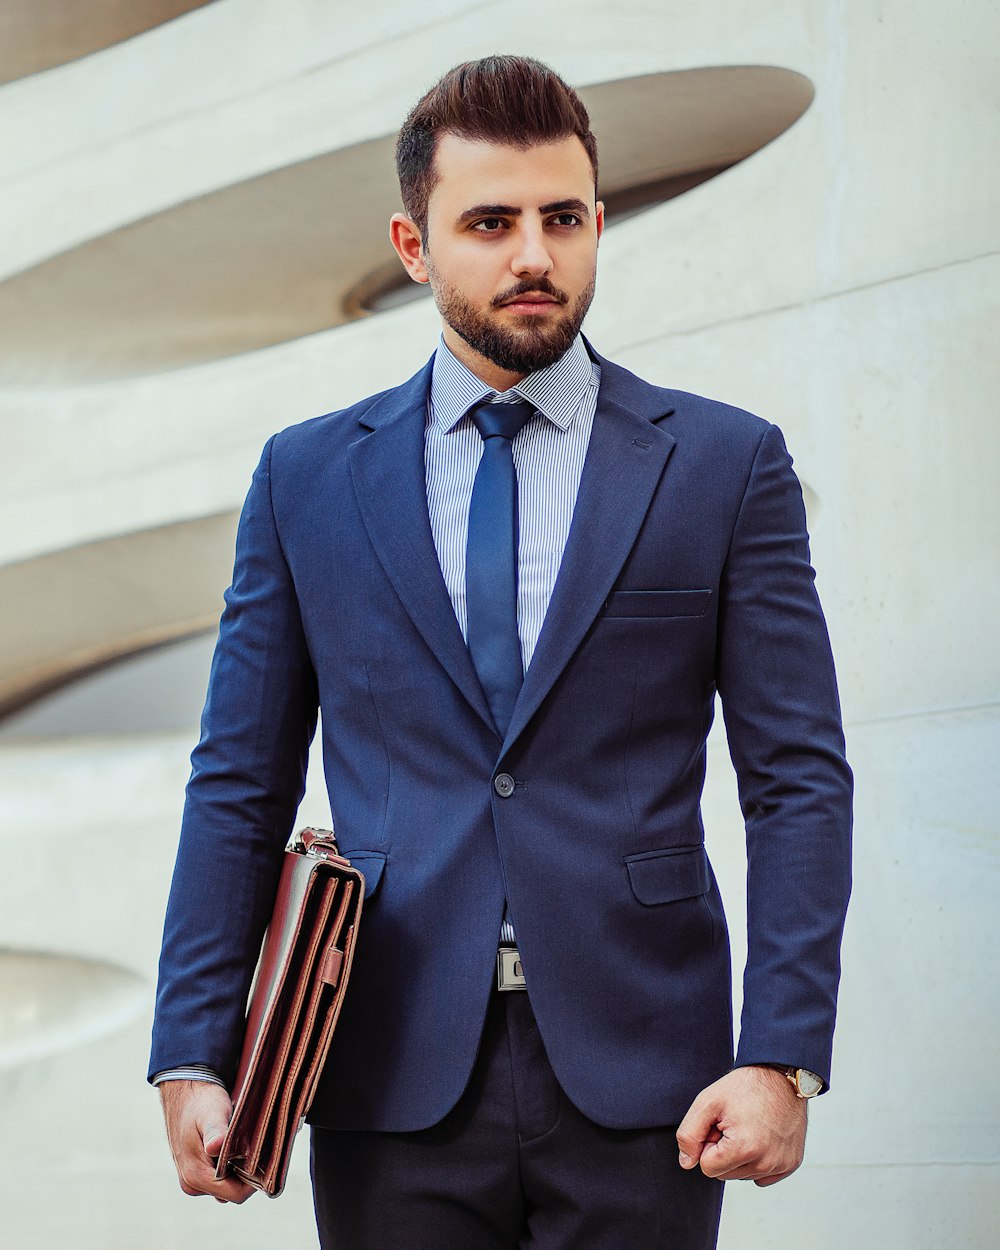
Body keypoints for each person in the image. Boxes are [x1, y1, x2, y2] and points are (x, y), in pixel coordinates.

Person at [150, 55, 852, 1249]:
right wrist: (192, 1047)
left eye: (563, 218)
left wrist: (781, 1053)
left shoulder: (724, 467)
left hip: (649, 1081)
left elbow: (797, 776)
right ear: (413, 245)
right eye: (489, 222)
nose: (535, 255)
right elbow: (239, 778)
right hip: (383, 1069)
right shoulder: (307, 479)